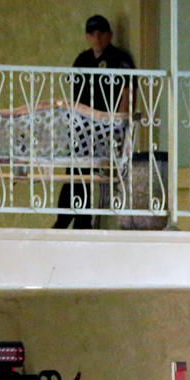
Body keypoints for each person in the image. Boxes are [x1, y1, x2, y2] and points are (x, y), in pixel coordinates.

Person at [53, 15, 135, 229]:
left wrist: (119, 122)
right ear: (87, 36)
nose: (97, 37)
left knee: (85, 170)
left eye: (101, 33)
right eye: (93, 33)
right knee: (75, 170)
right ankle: (72, 220)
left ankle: (74, 222)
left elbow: (129, 91)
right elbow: (75, 96)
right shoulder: (82, 60)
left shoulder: (119, 59)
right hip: (83, 125)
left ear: (110, 35)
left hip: (106, 126)